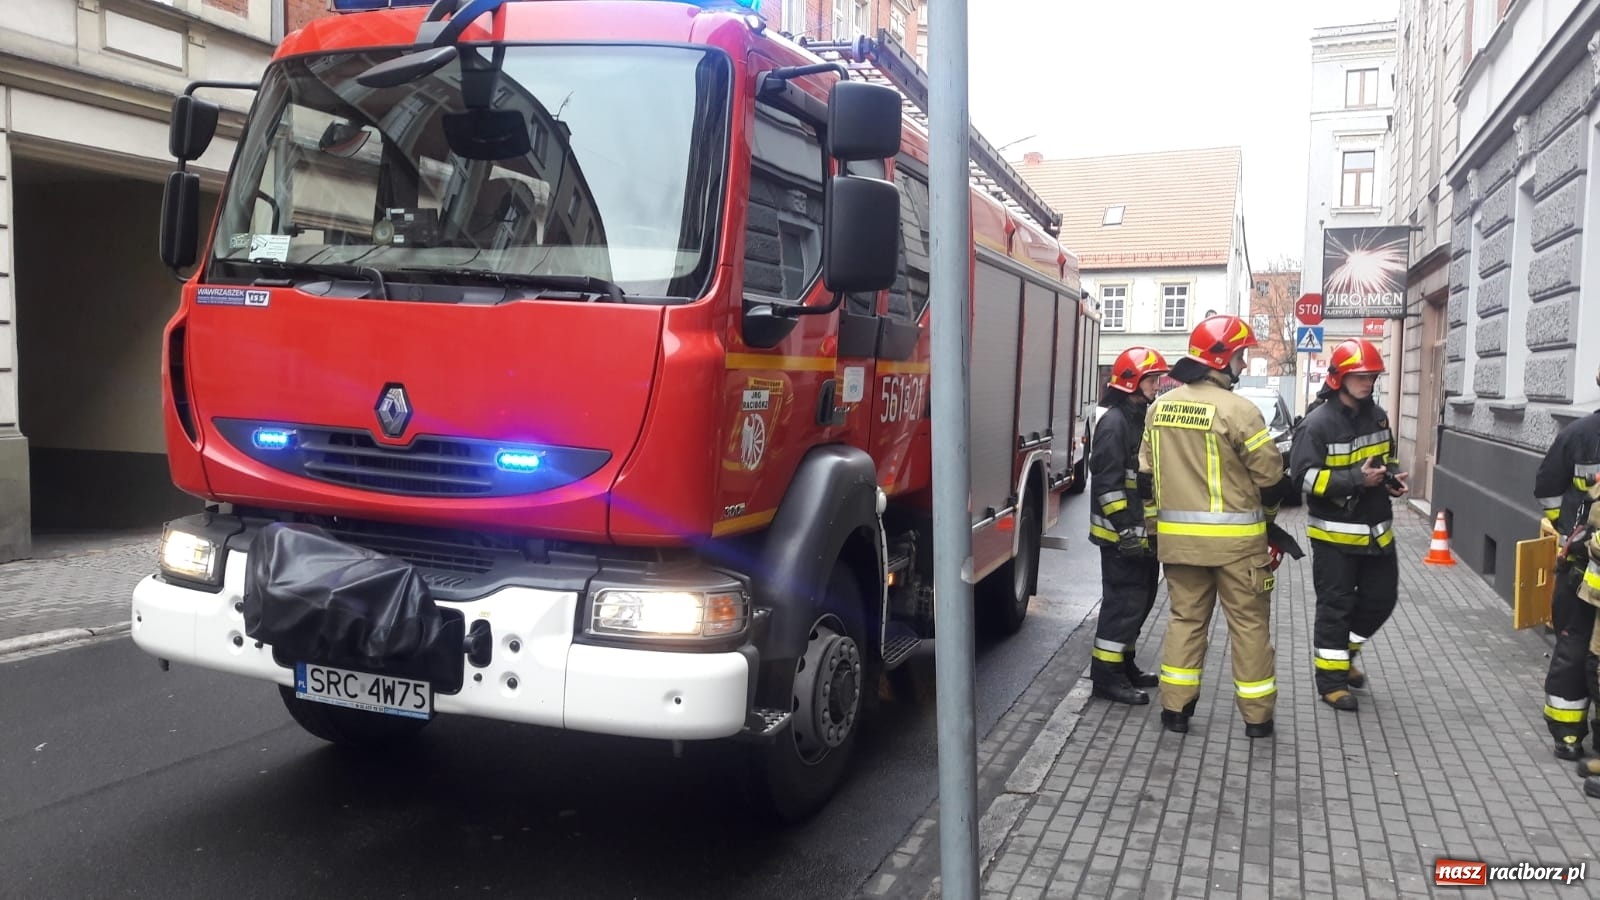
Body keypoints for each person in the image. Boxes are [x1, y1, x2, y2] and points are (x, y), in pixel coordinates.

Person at [1140, 315, 1290, 737]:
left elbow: (1146, 479)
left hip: (1179, 545)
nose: (1243, 365)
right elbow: (1271, 477)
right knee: (1249, 627)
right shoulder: (1241, 411)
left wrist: (1155, 531)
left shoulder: (1159, 408)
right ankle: (1258, 720)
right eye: (1241, 355)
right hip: (1238, 549)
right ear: (1221, 358)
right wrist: (1271, 526)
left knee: (1185, 621)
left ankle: (1175, 712)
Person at [1289, 338, 1407, 712]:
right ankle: (1332, 682)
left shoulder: (1378, 417)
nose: (1367, 382)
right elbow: (1303, 479)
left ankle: (1345, 653)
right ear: (1339, 378)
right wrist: (1357, 480)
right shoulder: (1317, 424)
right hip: (1334, 536)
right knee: (1335, 607)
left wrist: (1389, 480)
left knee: (1380, 600)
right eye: (1359, 376)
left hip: (1376, 531)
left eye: (1371, 375)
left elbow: (1381, 461)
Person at [1089, 346, 1171, 705]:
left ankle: (1124, 664)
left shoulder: (1138, 418)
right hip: (1121, 536)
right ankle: (1106, 678)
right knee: (1122, 605)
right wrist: (1125, 530)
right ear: (1132, 382)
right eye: (1152, 379)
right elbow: (1107, 486)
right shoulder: (1114, 425)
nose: (1158, 385)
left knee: (1140, 602)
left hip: (1141, 535)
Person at [1534, 364, 1600, 761]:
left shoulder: (1577, 435)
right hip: (1582, 569)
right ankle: (1567, 731)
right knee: (1575, 648)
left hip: (1583, 565)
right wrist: (1569, 532)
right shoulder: (1578, 437)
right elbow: (1547, 489)